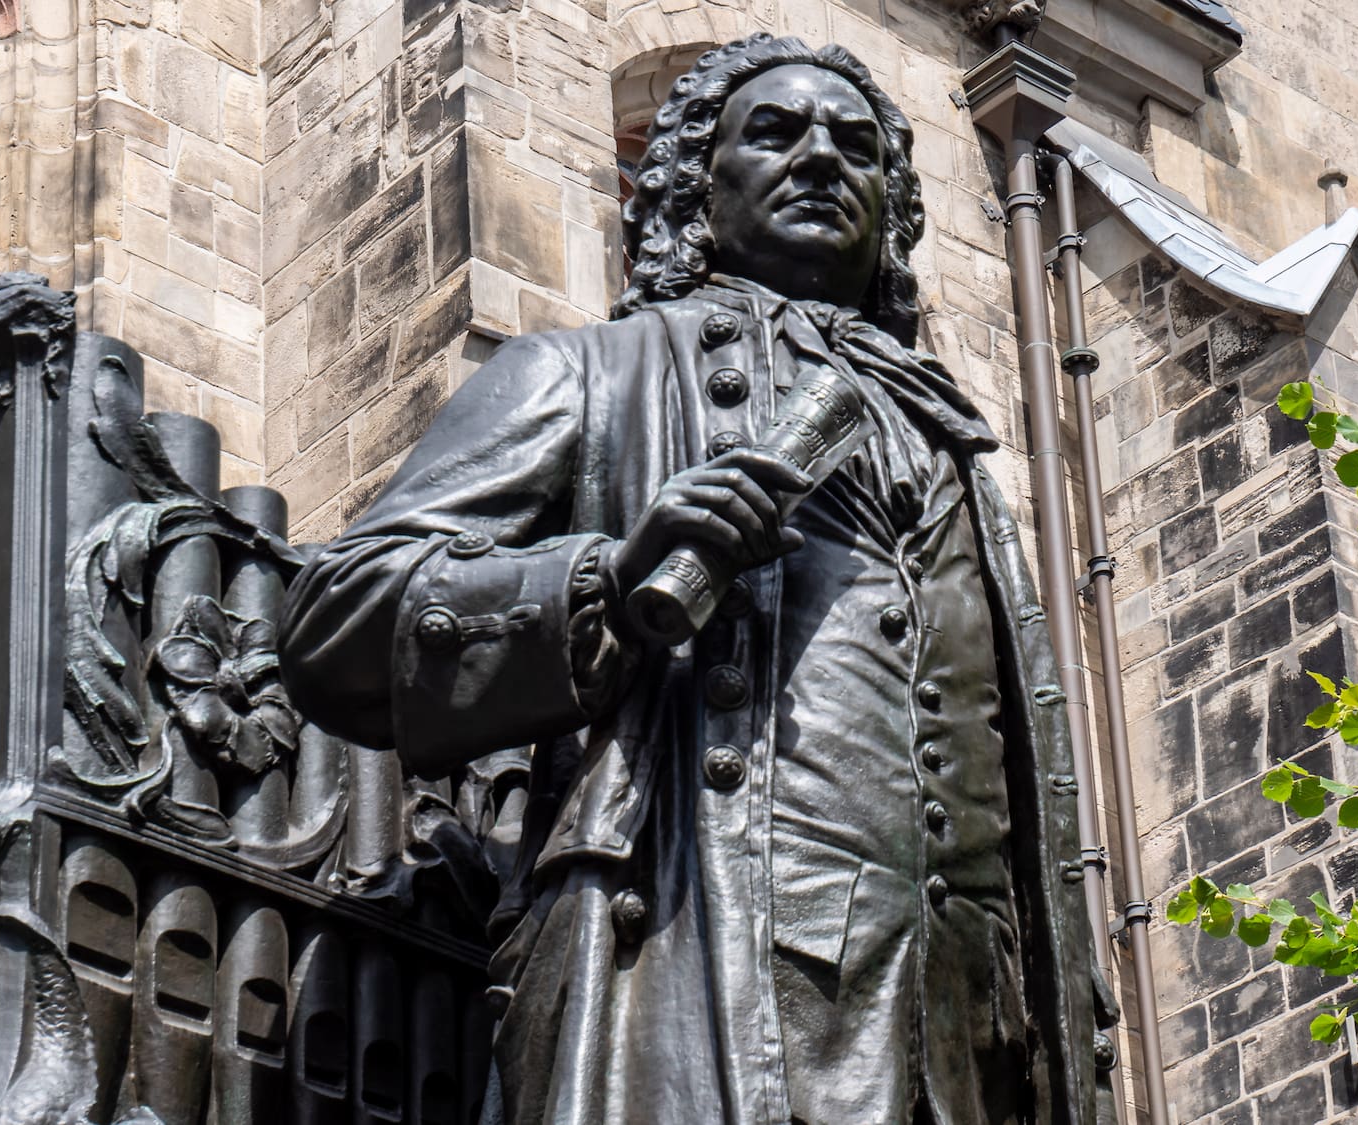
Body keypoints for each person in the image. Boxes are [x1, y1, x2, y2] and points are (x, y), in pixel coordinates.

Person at [280, 33, 1108, 1125]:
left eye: (856, 147)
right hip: (691, 957)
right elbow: (337, 621)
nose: (821, 159)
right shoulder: (587, 374)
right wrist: (605, 583)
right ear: (688, 194)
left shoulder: (956, 454)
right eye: (774, 134)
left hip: (960, 1035)